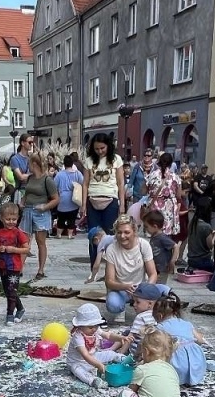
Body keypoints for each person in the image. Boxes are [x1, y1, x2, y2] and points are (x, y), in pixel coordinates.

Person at [101, 216, 168, 321]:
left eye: (127, 232)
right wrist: (125, 286)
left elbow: (153, 274)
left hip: (141, 287)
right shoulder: (111, 249)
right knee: (113, 304)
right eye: (119, 232)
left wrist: (146, 289)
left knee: (166, 291)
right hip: (121, 289)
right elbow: (109, 281)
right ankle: (121, 309)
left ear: (134, 232)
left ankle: (152, 311)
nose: (122, 236)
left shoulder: (143, 245)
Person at [82, 133, 125, 272]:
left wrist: (122, 204)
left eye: (102, 148)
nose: (100, 151)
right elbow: (85, 184)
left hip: (111, 199)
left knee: (111, 236)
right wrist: (83, 204)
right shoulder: (89, 161)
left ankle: (111, 268)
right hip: (93, 199)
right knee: (93, 235)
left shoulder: (116, 159)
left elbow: (120, 182)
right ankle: (93, 266)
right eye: (97, 149)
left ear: (108, 146)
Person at [153, 292, 208, 386]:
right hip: (196, 364)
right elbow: (200, 340)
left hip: (176, 366)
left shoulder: (160, 327)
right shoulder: (187, 324)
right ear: (176, 312)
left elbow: (155, 346)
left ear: (160, 316)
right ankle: (190, 379)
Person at [19, 150, 59, 278]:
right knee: (24, 241)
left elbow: (56, 199)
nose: (28, 165)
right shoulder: (30, 178)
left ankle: (41, 270)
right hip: (28, 210)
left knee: (40, 241)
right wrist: (23, 200)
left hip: (41, 213)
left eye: (29, 163)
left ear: (34, 164)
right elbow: (27, 193)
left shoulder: (47, 180)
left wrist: (45, 207)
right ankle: (19, 268)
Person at [0, 201, 31, 324]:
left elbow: (27, 249)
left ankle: (9, 315)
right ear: (2, 219)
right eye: (8, 219)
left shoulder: (18, 233)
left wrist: (14, 249)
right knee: (8, 291)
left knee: (12, 290)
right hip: (2, 266)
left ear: (18, 218)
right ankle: (20, 308)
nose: (11, 222)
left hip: (14, 267)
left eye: (14, 219)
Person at [67, 302, 124, 387]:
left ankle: (123, 359)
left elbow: (108, 335)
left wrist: (120, 338)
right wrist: (98, 365)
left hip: (93, 357)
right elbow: (85, 355)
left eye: (96, 325)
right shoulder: (77, 337)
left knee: (110, 353)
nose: (94, 329)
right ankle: (93, 380)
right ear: (80, 326)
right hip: (78, 362)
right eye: (90, 327)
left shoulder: (95, 329)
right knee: (77, 370)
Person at [147, 152, 183, 238]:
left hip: (155, 205)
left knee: (155, 231)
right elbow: (179, 195)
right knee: (167, 234)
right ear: (171, 163)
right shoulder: (175, 177)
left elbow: (143, 190)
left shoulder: (152, 175)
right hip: (169, 206)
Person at [54, 152, 84, 238]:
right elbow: (82, 183)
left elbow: (54, 186)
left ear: (64, 163)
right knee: (72, 218)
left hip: (62, 199)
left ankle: (59, 234)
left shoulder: (59, 174)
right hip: (74, 198)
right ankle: (70, 234)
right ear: (72, 163)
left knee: (61, 218)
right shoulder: (77, 173)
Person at [144, 209, 178, 280]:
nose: (145, 229)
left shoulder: (162, 237)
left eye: (147, 226)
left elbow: (175, 246)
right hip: (156, 268)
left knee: (160, 286)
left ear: (155, 226)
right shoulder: (154, 236)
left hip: (162, 269)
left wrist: (172, 261)